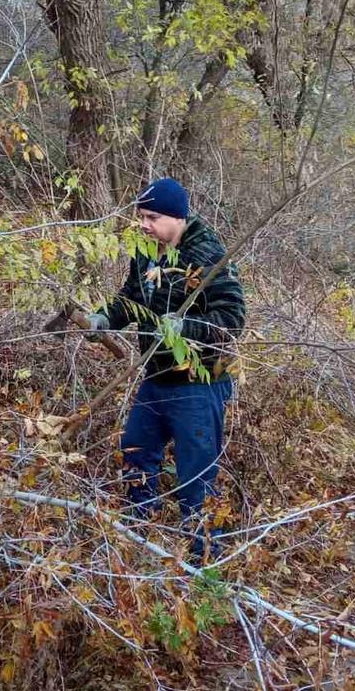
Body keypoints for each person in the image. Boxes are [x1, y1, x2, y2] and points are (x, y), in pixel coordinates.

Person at [87, 178, 246, 561]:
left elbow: (232, 318)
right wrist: (104, 319)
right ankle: (139, 536)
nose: (143, 224)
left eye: (152, 217)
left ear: (177, 217)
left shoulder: (209, 255)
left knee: (195, 475)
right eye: (141, 216)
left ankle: (204, 561)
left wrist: (183, 327)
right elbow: (131, 298)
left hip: (198, 383)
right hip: (156, 377)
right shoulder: (147, 252)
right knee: (137, 452)